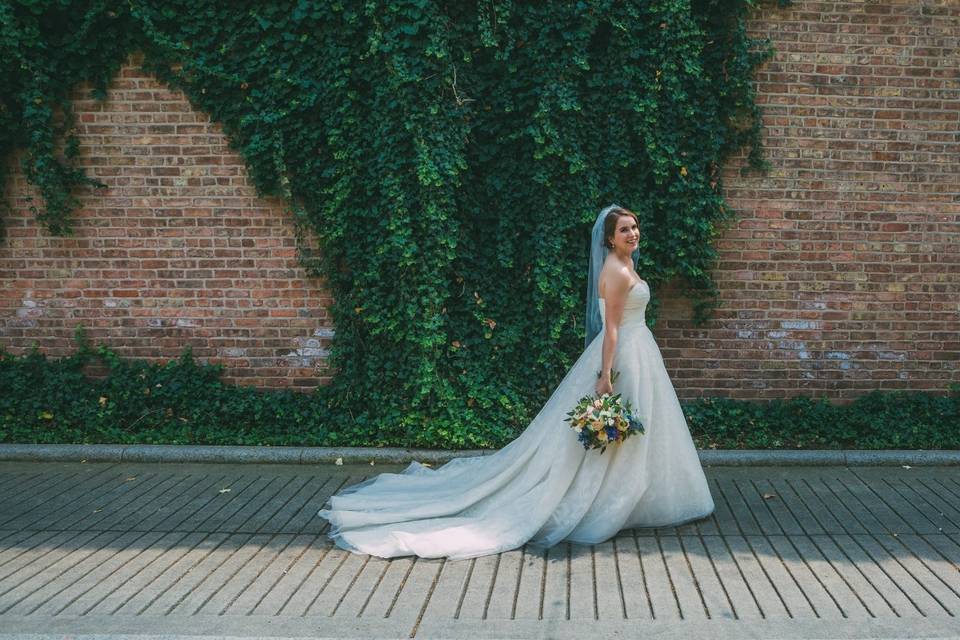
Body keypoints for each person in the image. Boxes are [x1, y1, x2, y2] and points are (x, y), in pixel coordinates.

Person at [316, 204, 715, 560]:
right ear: (609, 238)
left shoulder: (625, 266)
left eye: (635, 227)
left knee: (636, 434)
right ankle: (610, 502)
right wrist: (606, 375)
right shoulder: (617, 272)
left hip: (639, 350)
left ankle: (635, 499)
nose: (633, 234)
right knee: (618, 434)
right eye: (625, 229)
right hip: (625, 354)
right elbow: (610, 329)